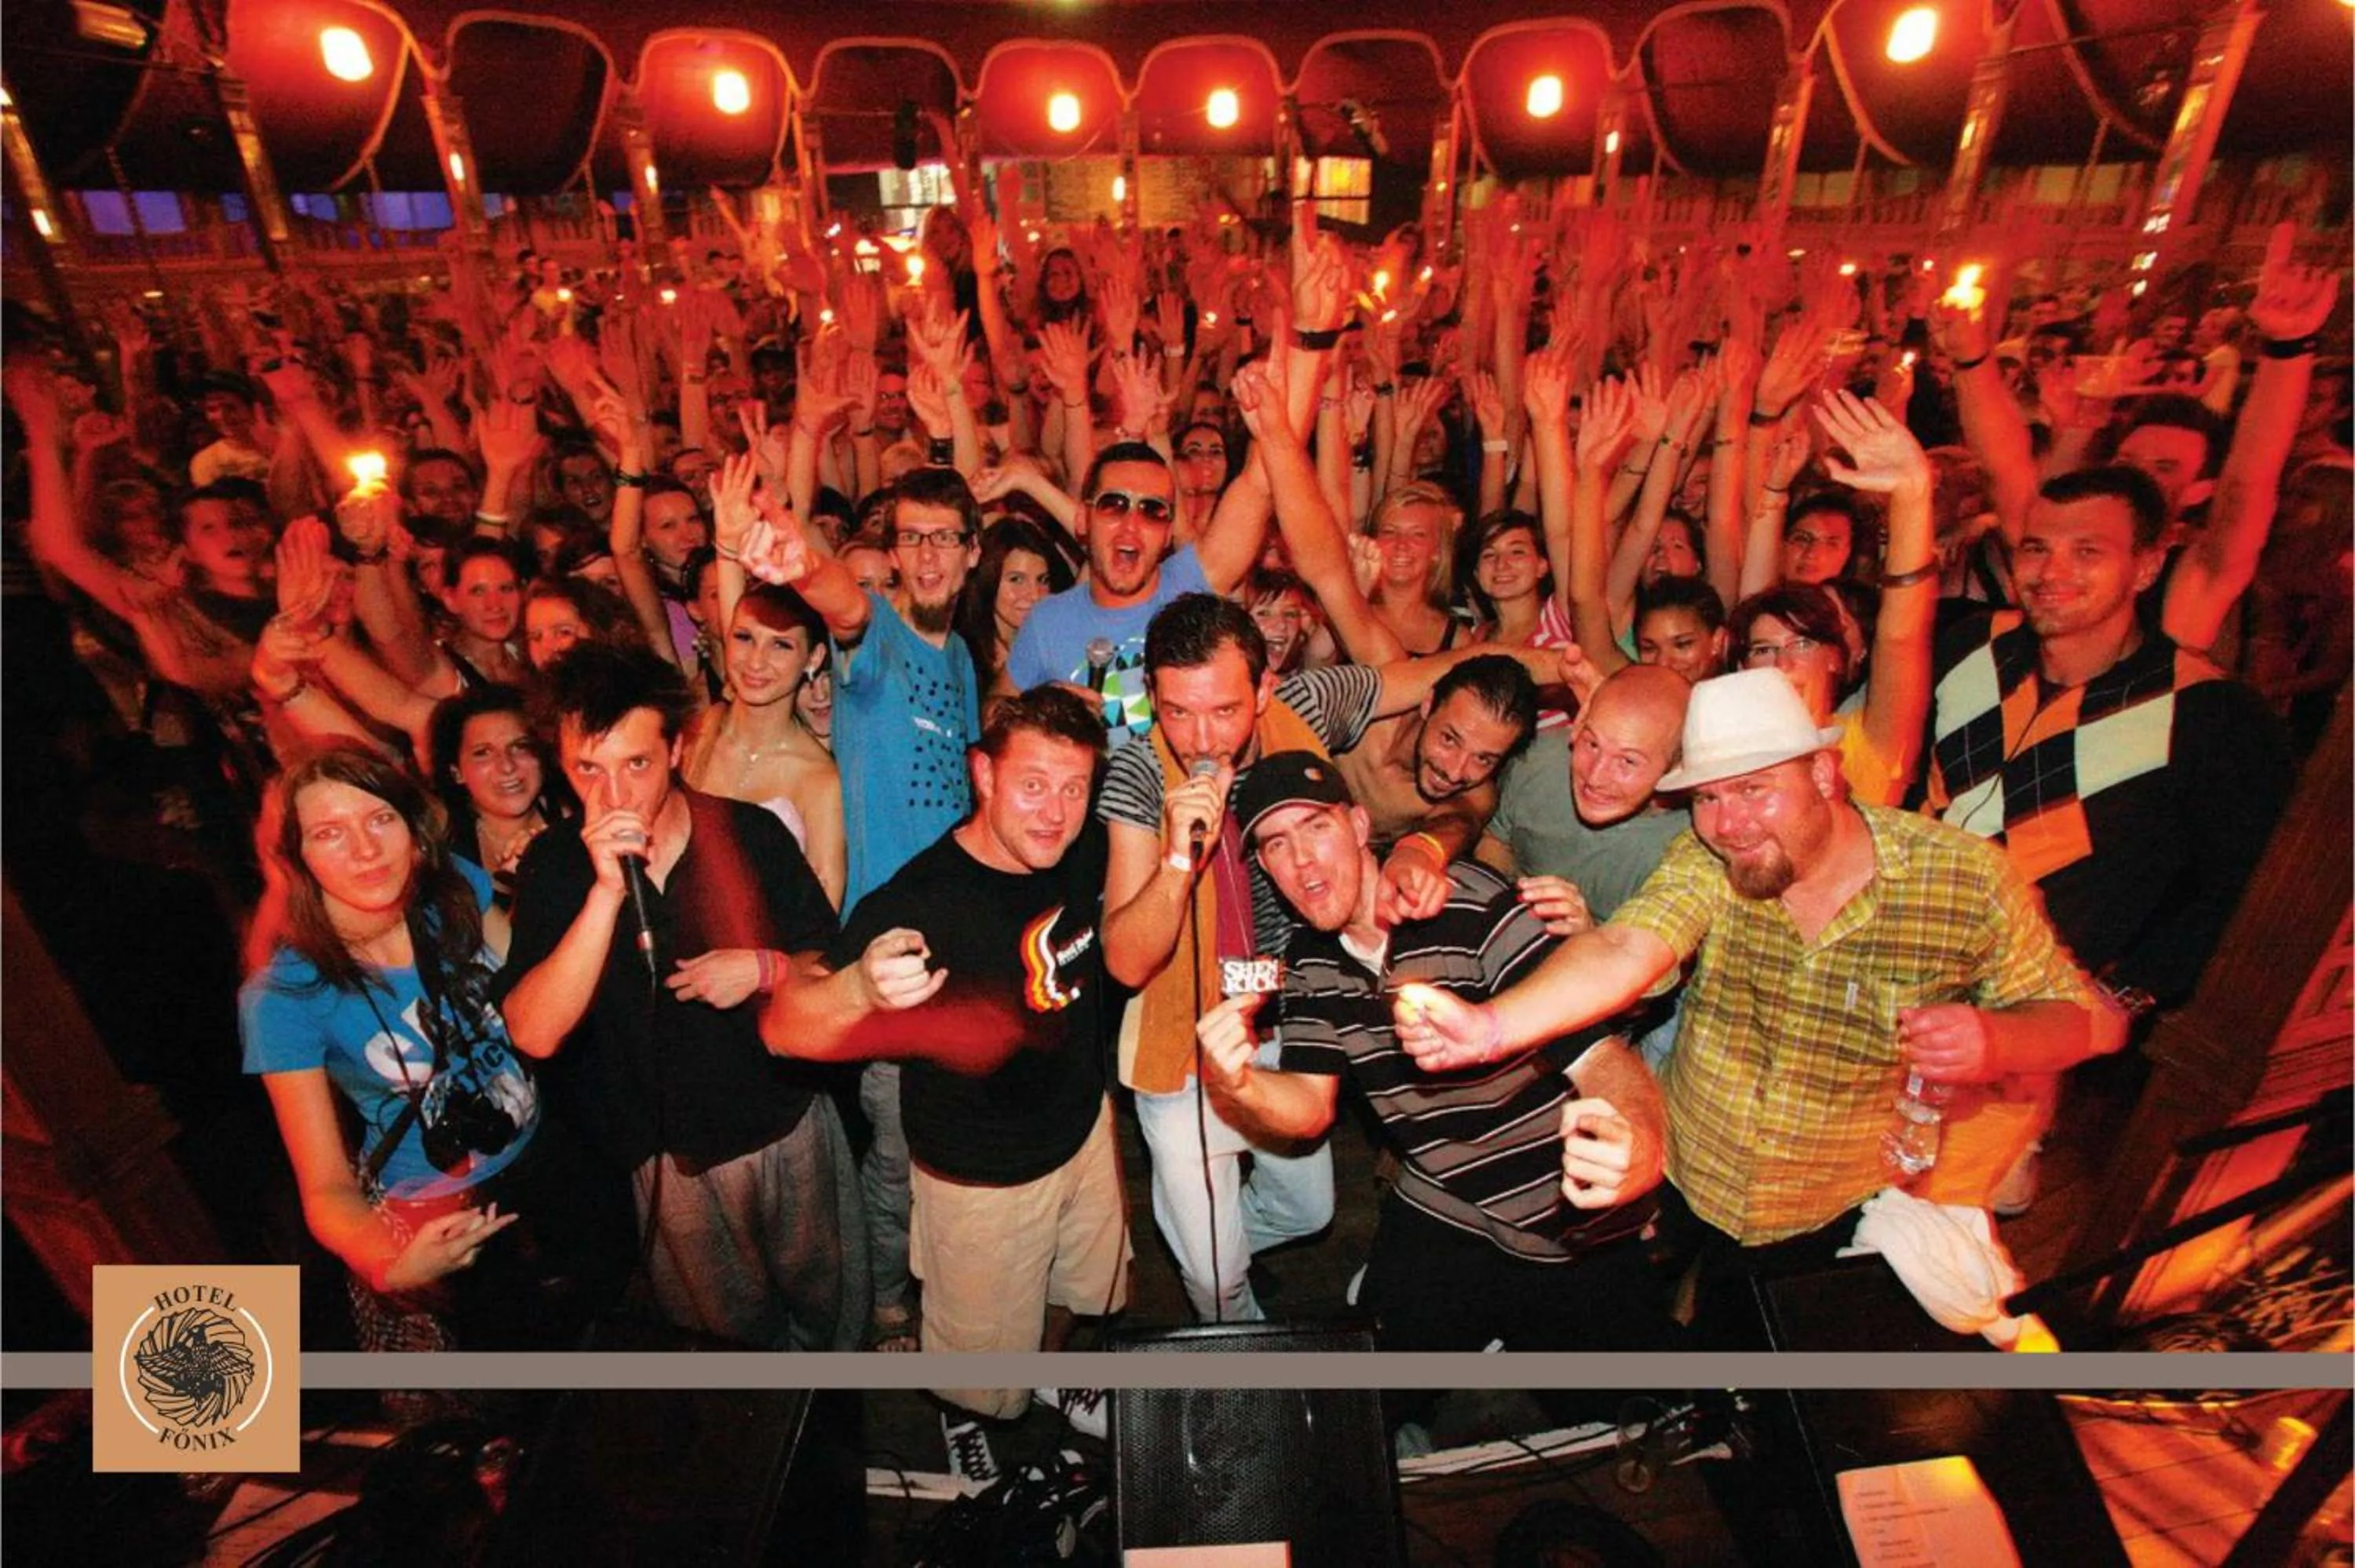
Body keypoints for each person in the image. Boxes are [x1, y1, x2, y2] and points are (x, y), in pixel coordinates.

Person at [1395, 669, 2117, 1347]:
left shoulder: (1965, 880)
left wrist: (1995, 1040)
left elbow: (2077, 1019)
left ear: (1825, 775)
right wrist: (1491, 1026)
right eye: (1707, 796)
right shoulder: (1711, 862)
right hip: (1682, 1165)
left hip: (1822, 1202)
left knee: (1747, 1353)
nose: (1728, 822)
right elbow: (1624, 948)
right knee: (1621, 1325)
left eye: (1753, 790)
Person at [1097, 593, 1514, 1322]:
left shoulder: (1307, 706)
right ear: (1152, 697)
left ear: (1264, 689)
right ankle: (1237, 1336)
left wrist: (1569, 670)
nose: (1200, 737)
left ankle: (1218, 1253)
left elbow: (1425, 676)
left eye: (1224, 710)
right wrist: (1174, 860)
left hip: (1287, 1024)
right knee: (1216, 1278)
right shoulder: (1138, 773)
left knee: (1309, 1210)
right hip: (1181, 1050)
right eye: (1176, 711)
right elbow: (1127, 964)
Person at [1196, 752, 1676, 1351]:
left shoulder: (1467, 901)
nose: (1301, 860)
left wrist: (1638, 1140)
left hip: (1557, 1216)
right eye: (1275, 845)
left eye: (1316, 827)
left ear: (1360, 827)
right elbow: (1311, 1107)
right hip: (1442, 1201)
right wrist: (1239, 1081)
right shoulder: (1311, 962)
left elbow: (1599, 1056)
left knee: (1631, 1410)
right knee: (1377, 1389)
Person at [762, 687, 1125, 1480]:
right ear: (983, 775)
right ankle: (972, 1429)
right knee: (976, 1368)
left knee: (1077, 1292)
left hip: (1082, 1133)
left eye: (1073, 789)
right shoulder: (922, 900)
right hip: (982, 1176)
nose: (1055, 813)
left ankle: (1046, 1383)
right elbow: (786, 1026)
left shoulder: (1087, 846)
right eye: (1033, 785)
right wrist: (858, 990)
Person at [1922, 465, 2293, 1209]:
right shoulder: (1969, 644)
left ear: (2147, 566)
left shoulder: (2209, 714)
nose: (2052, 573)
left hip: (2019, 1028)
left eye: (2087, 552)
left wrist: (2127, 993)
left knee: (1937, 1230)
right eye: (2035, 550)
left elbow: (2244, 892)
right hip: (1891, 977)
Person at [493, 644, 866, 1351]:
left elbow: (828, 961)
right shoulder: (556, 867)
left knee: (833, 1317)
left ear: (676, 748)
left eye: (635, 764)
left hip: (787, 1128)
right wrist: (605, 890)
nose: (613, 796)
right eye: (587, 771)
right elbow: (534, 1032)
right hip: (672, 1161)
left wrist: (763, 967)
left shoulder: (748, 831)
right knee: (728, 1346)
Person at [240, 745, 626, 1354]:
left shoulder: (452, 891)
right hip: (445, 1217)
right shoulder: (284, 997)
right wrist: (389, 1262)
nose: (366, 850)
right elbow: (324, 1187)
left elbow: (531, 1001)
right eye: (330, 833)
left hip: (553, 1156)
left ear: (412, 826)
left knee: (626, 1325)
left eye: (380, 819)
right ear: (297, 857)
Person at [997, 439, 1271, 742]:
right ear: (1083, 519)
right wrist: (1040, 709)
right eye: (1114, 505)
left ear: (1168, 532)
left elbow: (1259, 479)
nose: (1131, 525)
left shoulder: (1191, 584)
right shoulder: (1047, 621)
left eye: (1152, 511)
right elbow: (992, 713)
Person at [681, 583, 846, 908]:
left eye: (781, 646)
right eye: (744, 638)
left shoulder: (819, 780)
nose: (756, 662)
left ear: (813, 658)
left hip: (763, 950)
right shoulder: (700, 734)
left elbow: (821, 916)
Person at [427, 684, 568, 906]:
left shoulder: (581, 821)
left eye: (520, 746)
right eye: (483, 753)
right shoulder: (447, 850)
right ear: (456, 773)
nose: (507, 766)